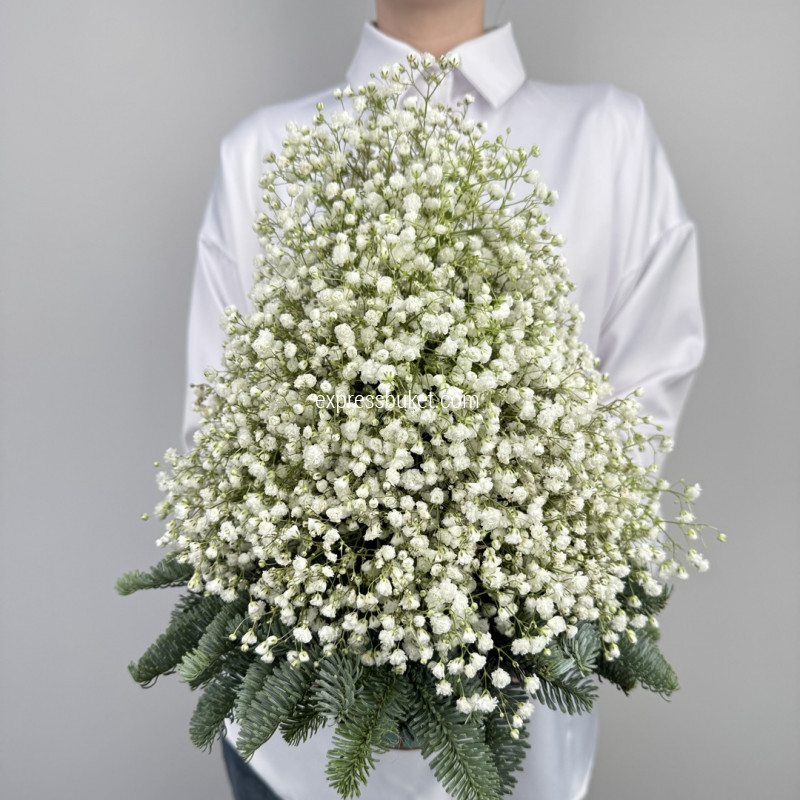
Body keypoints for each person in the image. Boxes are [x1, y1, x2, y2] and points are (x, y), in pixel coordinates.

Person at [182, 1, 705, 798]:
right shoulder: (261, 150)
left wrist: (523, 566)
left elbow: (649, 393)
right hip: (292, 753)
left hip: (518, 735)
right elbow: (216, 437)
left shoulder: (607, 136)